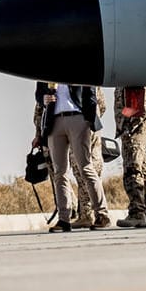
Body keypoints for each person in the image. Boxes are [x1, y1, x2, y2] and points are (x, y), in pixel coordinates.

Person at [33, 82, 111, 232]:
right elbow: (38, 94)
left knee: (86, 168)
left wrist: (89, 118)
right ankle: (64, 219)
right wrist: (43, 98)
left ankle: (102, 215)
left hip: (78, 118)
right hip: (54, 121)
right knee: (60, 172)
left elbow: (90, 91)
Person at [114, 87, 146, 228]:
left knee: (132, 170)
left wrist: (126, 125)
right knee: (143, 170)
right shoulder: (128, 76)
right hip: (137, 127)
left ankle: (137, 213)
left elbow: (135, 107)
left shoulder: (130, 76)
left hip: (133, 127)